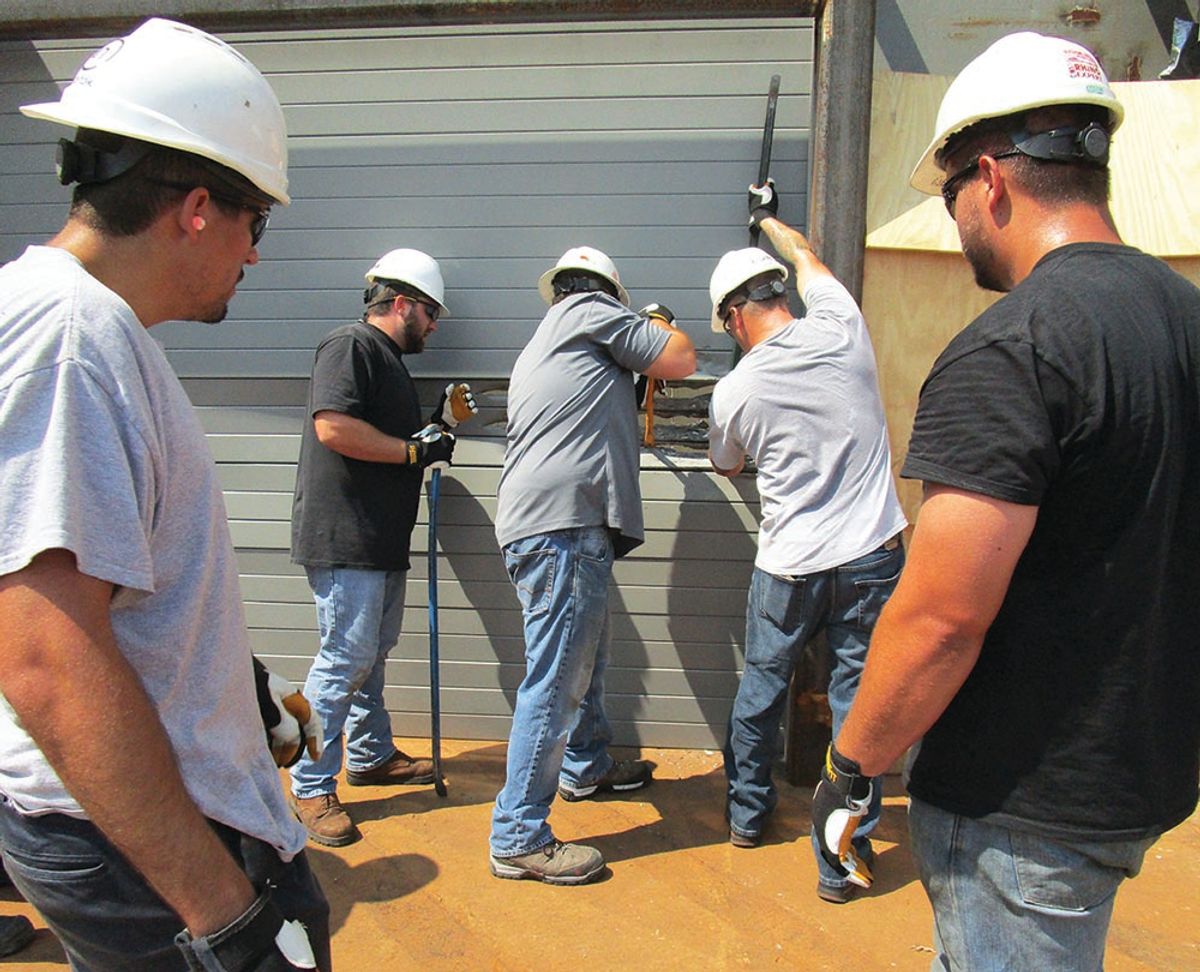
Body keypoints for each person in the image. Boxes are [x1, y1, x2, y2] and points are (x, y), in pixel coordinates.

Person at [812, 31, 1200, 970]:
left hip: (1023, 802)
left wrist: (849, 767)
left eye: (948, 198)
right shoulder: (1185, 317)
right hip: (1142, 768)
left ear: (990, 180)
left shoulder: (1013, 347)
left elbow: (943, 615)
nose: (954, 223)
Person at [0, 18, 331, 971]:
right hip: (146, 851)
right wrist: (223, 915)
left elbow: (118, 592)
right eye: (253, 222)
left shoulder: (88, 333)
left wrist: (231, 687)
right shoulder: (67, 341)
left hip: (144, 827)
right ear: (195, 207)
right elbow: (45, 655)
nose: (255, 255)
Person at [707, 194, 907, 904]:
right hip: (871, 557)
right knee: (859, 704)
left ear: (732, 318)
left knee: (761, 692)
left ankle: (748, 819)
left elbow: (728, 465)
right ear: (777, 292)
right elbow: (808, 256)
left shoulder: (734, 391)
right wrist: (768, 220)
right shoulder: (843, 324)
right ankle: (842, 861)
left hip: (790, 565)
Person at [488, 246, 696, 884]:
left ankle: (586, 766)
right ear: (606, 293)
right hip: (563, 526)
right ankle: (518, 833)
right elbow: (682, 358)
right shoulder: (592, 314)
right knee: (556, 680)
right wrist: (656, 326)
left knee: (589, 655)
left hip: (552, 525)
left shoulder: (550, 339)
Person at [289, 248, 476, 847]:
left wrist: (437, 428)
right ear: (401, 303)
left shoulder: (389, 363)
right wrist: (412, 452)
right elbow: (334, 428)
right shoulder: (350, 346)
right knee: (344, 657)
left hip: (379, 537)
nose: (435, 325)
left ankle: (368, 756)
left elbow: (397, 444)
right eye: (431, 312)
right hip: (347, 535)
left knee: (371, 654)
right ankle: (308, 783)